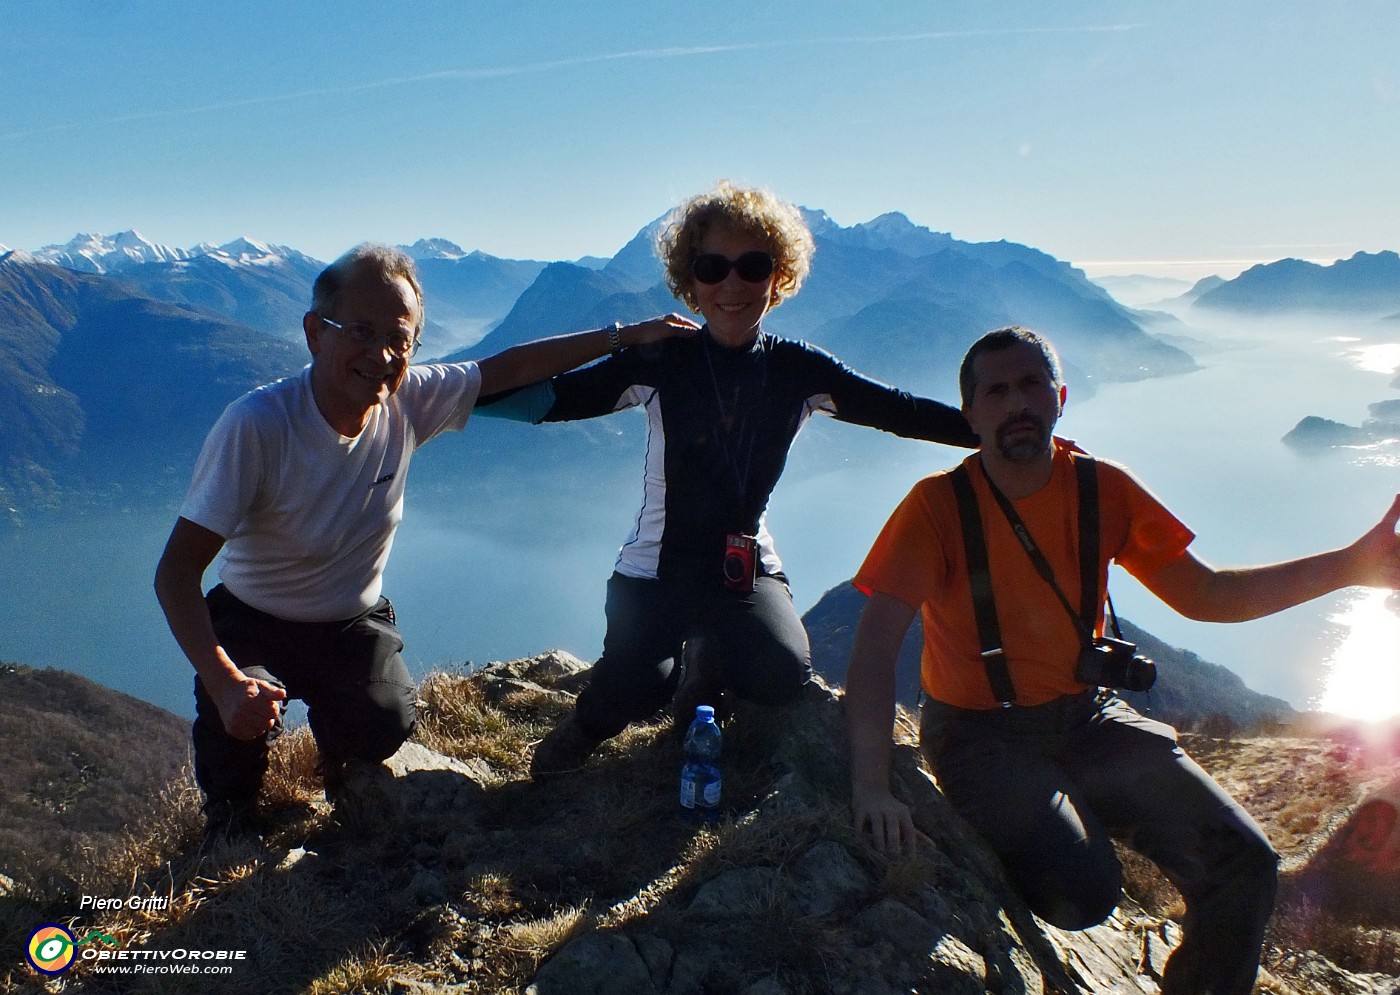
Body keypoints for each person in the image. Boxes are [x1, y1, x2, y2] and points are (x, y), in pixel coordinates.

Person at [845, 325, 1400, 995]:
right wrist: (872, 785)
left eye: (1031, 385)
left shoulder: (1101, 488)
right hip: (979, 737)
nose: (1016, 402)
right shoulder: (935, 508)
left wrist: (1350, 565)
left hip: (1089, 718)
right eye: (996, 391)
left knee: (1246, 861)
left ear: (1060, 398)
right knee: (1085, 893)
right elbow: (875, 649)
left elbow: (1207, 593)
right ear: (970, 413)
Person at [154, 243, 697, 838]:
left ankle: (337, 756)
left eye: (401, 338)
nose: (382, 355)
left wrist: (627, 336)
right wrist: (227, 683)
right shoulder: (257, 425)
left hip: (348, 622)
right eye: (360, 331)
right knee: (236, 723)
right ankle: (229, 812)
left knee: (385, 722)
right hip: (253, 617)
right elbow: (176, 575)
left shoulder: (409, 399)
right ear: (315, 332)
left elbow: (510, 368)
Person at [482, 181, 978, 778]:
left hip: (745, 568)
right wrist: (445, 397)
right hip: (654, 569)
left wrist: (999, 433)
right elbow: (545, 400)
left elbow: (899, 411)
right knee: (636, 692)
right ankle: (587, 723)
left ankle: (708, 666)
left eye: (754, 266)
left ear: (779, 276)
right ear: (689, 283)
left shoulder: (799, 370)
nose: (733, 285)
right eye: (712, 267)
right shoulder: (661, 359)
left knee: (779, 674)